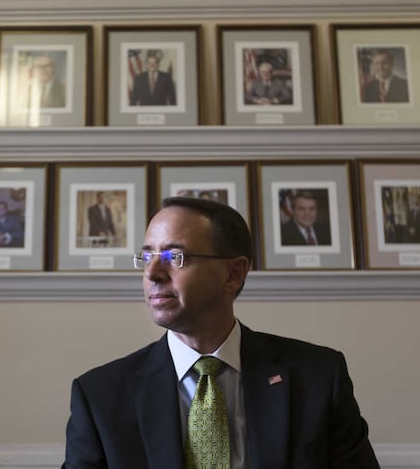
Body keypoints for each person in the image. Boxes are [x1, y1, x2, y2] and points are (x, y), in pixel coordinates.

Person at [63, 196, 380, 467]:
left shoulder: (318, 378)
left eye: (175, 257)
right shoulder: (99, 396)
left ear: (234, 273)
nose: (153, 273)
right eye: (147, 256)